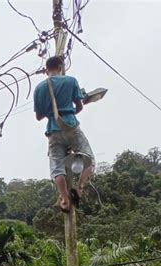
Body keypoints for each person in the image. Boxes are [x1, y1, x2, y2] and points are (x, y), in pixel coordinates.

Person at [33, 55, 95, 213]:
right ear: (61, 67)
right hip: (71, 126)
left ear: (46, 70)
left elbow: (38, 116)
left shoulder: (40, 88)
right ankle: (79, 188)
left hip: (53, 130)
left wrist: (51, 112)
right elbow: (79, 107)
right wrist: (69, 111)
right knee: (90, 160)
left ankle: (64, 198)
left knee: (57, 167)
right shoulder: (71, 81)